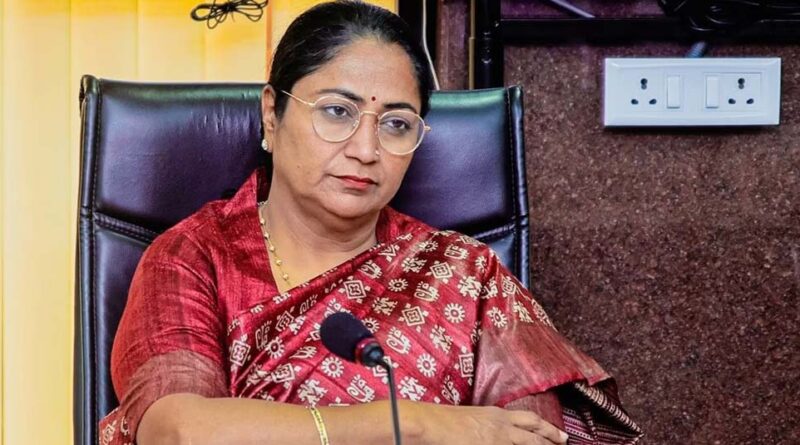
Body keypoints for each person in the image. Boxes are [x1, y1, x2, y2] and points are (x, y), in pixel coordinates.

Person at [99, 1, 643, 444]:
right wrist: (414, 424)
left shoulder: (464, 273)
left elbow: (531, 436)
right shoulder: (194, 258)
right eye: (337, 111)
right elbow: (179, 432)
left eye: (396, 123)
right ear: (272, 113)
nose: (365, 149)